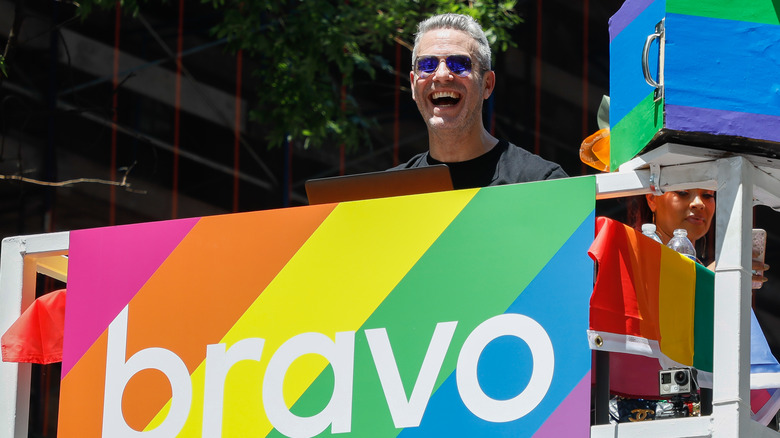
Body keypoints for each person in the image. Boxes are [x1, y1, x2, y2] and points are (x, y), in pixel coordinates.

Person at [390, 13, 568, 188]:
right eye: (427, 65)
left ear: (487, 84)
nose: (442, 75)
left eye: (459, 64)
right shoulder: (389, 193)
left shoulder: (541, 182)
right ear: (413, 85)